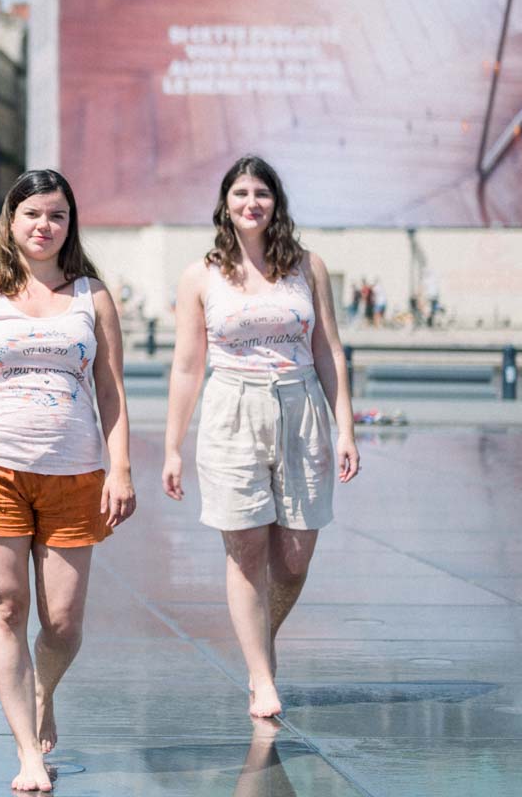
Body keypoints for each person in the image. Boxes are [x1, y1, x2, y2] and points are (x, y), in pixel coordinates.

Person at [0, 169, 136, 793]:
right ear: (10, 222)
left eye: (57, 216)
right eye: (32, 215)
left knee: (64, 622)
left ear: (70, 225)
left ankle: (41, 690)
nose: (44, 226)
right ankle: (27, 751)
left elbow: (112, 390)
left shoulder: (91, 297)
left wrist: (120, 469)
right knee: (7, 606)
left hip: (74, 474)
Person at [162, 155, 359, 718]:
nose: (252, 203)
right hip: (231, 409)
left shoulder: (307, 266)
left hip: (301, 409)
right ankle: (260, 675)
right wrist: (173, 446)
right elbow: (186, 366)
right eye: (241, 193)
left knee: (294, 558)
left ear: (277, 203)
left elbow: (330, 351)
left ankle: (257, 644)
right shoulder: (200, 275)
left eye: (263, 193)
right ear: (225, 203)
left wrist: (346, 427)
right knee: (246, 551)